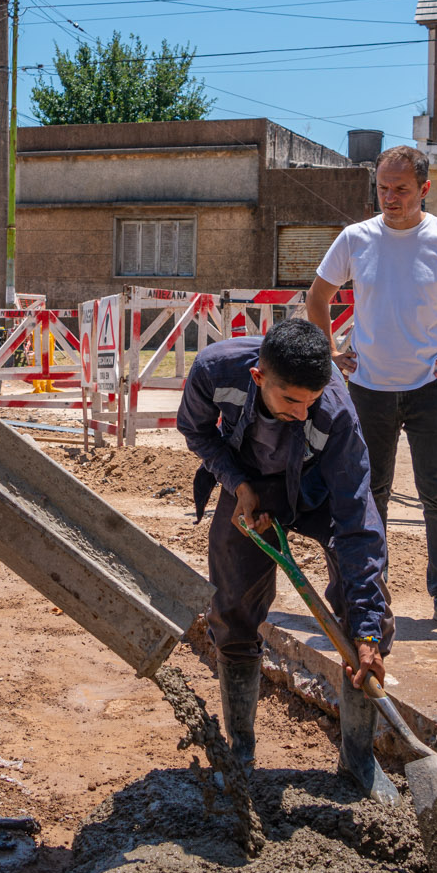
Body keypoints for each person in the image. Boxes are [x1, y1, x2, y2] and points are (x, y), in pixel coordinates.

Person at [177, 317, 400, 800]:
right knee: (232, 607)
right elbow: (194, 429)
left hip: (319, 491)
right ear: (257, 377)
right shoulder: (215, 370)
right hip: (249, 482)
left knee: (370, 612)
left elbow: (357, 521)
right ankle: (241, 752)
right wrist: (238, 484)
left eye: (311, 400)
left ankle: (359, 760)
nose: (302, 412)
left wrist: (365, 632)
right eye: (291, 400)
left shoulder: (335, 413)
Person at [306, 144, 437, 640]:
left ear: (424, 188)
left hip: (432, 388)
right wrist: (331, 352)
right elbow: (318, 296)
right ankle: (369, 593)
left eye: (401, 189)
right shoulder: (355, 238)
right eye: (383, 188)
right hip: (369, 389)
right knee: (369, 494)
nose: (390, 198)